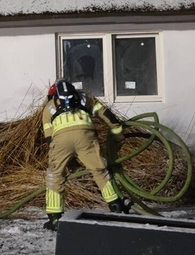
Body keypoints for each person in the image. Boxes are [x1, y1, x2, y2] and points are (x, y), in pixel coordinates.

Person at [41, 79, 129, 231]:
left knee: (55, 175)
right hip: (86, 136)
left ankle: (55, 219)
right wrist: (118, 133)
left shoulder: (48, 108)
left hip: (61, 140)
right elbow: (106, 114)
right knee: (100, 171)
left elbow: (50, 139)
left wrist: (70, 164)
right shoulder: (85, 97)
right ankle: (116, 206)